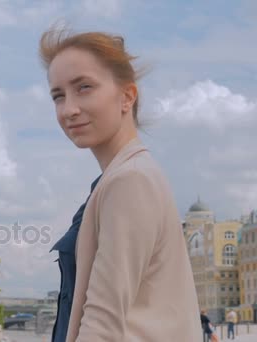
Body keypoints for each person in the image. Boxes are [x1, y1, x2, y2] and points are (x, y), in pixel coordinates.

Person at [40, 26, 202, 341]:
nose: (68, 109)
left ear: (127, 96)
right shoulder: (120, 177)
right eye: (58, 96)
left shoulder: (131, 181)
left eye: (84, 87)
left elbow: (103, 323)